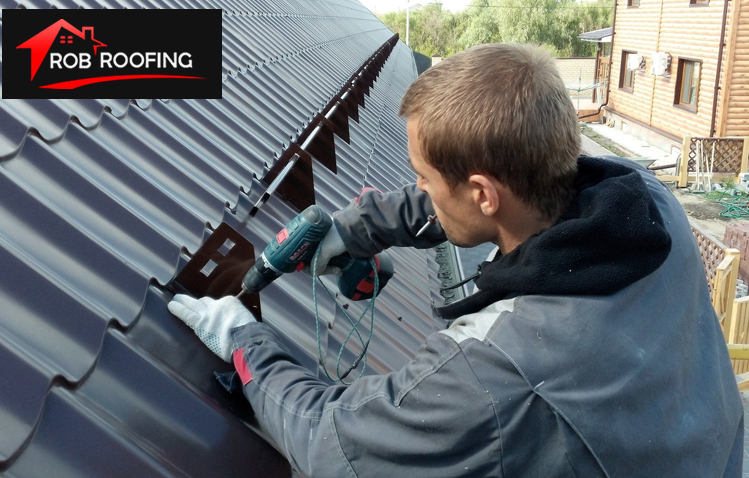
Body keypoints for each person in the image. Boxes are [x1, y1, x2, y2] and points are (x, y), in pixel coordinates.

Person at [168, 43, 743, 477]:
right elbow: (458, 202)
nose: (418, 186)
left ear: (483, 193)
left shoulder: (493, 371)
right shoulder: (650, 204)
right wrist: (362, 227)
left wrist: (246, 342)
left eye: (422, 176)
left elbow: (330, 444)